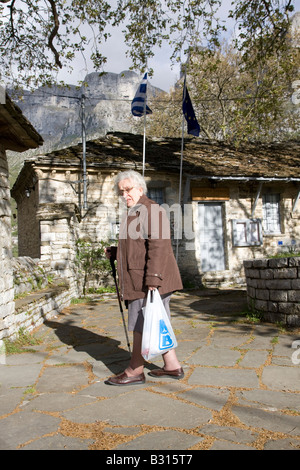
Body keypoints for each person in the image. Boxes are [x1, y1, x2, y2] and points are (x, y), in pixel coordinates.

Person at [105, 170, 183, 386]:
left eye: (128, 190)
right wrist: (116, 252)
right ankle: (172, 365)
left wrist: (153, 279)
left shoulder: (152, 210)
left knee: (141, 323)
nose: (124, 195)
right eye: (121, 192)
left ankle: (134, 370)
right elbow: (138, 246)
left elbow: (158, 246)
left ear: (140, 189)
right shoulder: (136, 211)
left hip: (147, 280)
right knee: (157, 321)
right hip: (145, 277)